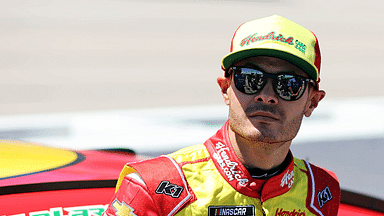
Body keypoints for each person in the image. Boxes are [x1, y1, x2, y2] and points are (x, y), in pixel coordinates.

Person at [103, 15, 340, 216]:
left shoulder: (320, 191)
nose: (266, 95)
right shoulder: (154, 187)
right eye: (249, 78)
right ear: (226, 89)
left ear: (312, 102)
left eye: (289, 84)